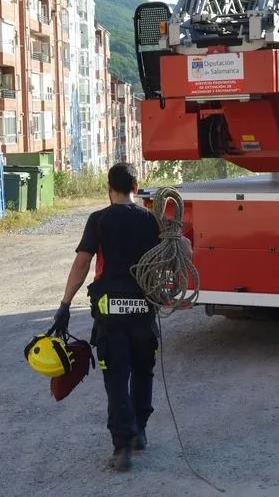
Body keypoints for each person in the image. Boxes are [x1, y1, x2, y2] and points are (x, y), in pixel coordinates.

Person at [49, 162, 191, 472]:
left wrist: (65, 303)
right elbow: (184, 250)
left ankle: (122, 447)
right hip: (143, 307)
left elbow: (82, 264)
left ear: (109, 189)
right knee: (143, 371)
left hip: (110, 311)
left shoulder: (98, 220)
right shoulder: (153, 221)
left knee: (116, 377)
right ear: (136, 189)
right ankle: (139, 431)